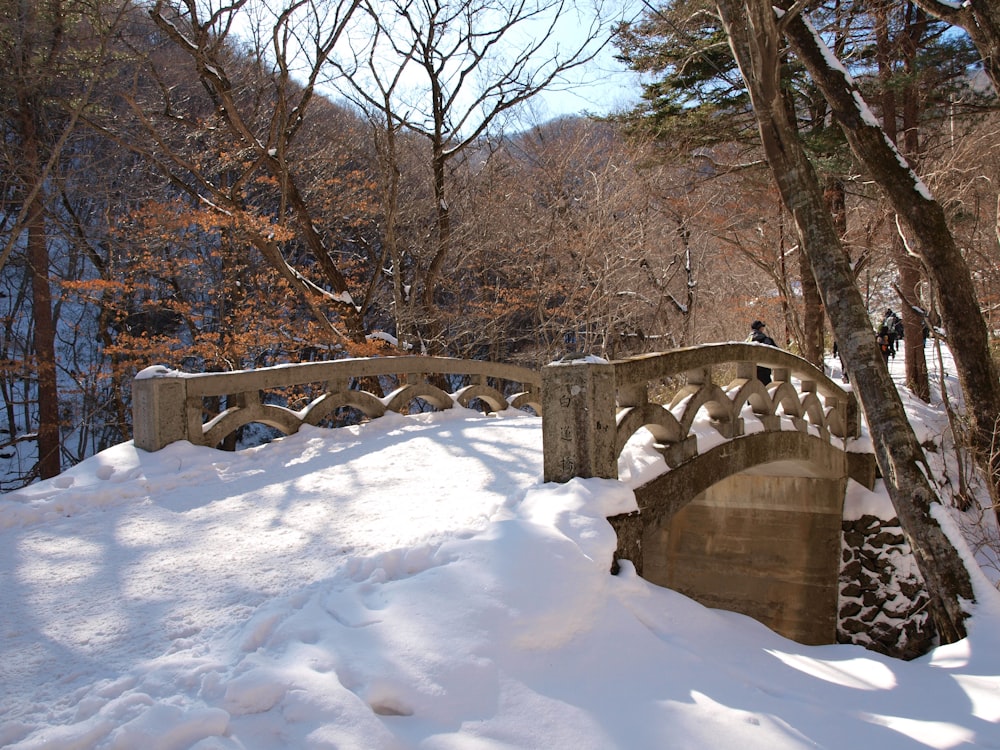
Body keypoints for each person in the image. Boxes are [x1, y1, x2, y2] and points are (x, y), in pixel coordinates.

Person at [749, 320, 776, 384]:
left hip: (750, 370)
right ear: (760, 328)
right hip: (764, 369)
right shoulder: (766, 340)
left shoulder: (747, 340)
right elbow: (776, 352)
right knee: (766, 389)